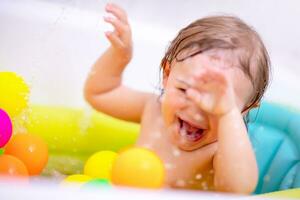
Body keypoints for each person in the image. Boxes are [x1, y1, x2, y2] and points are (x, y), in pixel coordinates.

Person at [84, 3, 270, 194]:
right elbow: (99, 94)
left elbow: (238, 189)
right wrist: (119, 56)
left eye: (216, 104)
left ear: (244, 110)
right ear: (167, 74)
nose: (195, 110)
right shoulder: (154, 108)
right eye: (184, 90)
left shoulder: (218, 151)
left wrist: (228, 114)